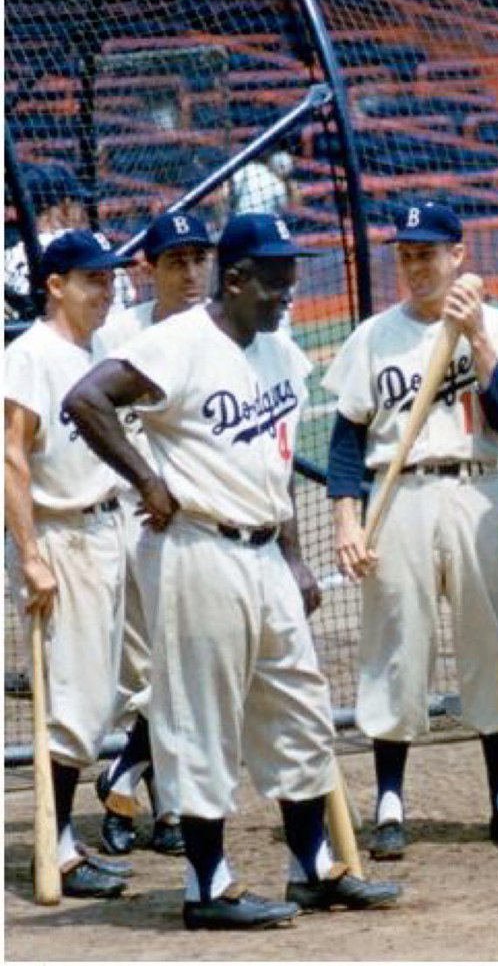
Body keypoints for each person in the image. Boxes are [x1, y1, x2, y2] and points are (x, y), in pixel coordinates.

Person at [63, 213, 401, 930]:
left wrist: (295, 555)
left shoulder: (280, 353)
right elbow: (86, 399)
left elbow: (272, 465)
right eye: (275, 278)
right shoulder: (177, 342)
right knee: (202, 719)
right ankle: (206, 885)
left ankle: (312, 867)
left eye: (290, 275)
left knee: (302, 711)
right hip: (197, 550)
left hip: (264, 554)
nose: (288, 290)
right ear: (237, 278)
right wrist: (147, 483)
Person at [323, 201, 498, 860]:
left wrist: (476, 337)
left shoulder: (496, 325)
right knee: (397, 644)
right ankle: (390, 800)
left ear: (457, 255)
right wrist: (347, 522)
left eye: (428, 253)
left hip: (477, 489)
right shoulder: (373, 336)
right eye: (407, 255)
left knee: (489, 639)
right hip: (401, 493)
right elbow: (344, 440)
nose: (417, 266)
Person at [5, 230, 136, 899]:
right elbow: (11, 458)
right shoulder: (30, 355)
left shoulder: (106, 349)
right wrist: (29, 556)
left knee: (107, 695)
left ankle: (68, 837)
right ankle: (56, 850)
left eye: (109, 279)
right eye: (93, 279)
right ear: (55, 285)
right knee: (75, 704)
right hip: (59, 535)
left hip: (109, 528)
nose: (106, 290)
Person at [91, 211, 214, 858]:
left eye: (200, 258)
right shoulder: (120, 333)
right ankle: (165, 803)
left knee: (186, 667)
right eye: (177, 261)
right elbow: (80, 413)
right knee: (147, 674)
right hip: (125, 521)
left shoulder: (223, 329)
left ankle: (127, 777)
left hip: (201, 529)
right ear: (151, 268)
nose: (192, 272)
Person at [6, 165, 136, 315]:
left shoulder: (10, 255)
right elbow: (128, 300)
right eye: (78, 202)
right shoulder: (98, 246)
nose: (83, 210)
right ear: (66, 206)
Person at [229, 151, 300, 217]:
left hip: (239, 218)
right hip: (263, 224)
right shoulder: (279, 186)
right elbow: (287, 209)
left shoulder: (251, 167)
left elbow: (229, 188)